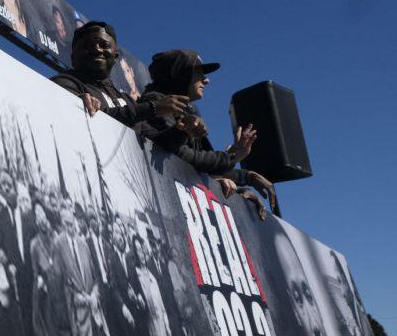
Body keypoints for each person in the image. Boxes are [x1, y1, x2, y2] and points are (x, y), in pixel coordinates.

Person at [138, 49, 277, 213]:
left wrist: (246, 178)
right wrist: (232, 156)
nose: (206, 80)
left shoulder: (189, 111)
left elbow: (205, 167)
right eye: (199, 73)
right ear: (180, 76)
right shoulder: (156, 103)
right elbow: (180, 157)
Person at [51, 21, 189, 127]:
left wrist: (182, 132)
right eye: (87, 46)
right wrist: (152, 108)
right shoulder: (63, 83)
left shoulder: (127, 100)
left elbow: (149, 141)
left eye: (104, 45)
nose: (97, 49)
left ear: (115, 57)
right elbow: (90, 120)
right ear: (73, 58)